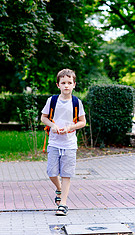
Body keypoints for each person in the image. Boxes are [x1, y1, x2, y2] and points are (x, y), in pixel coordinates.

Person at [41, 68, 86, 216]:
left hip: (69, 144)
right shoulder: (52, 100)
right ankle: (58, 188)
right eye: (63, 83)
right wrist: (53, 126)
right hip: (54, 143)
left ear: (74, 85)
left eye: (69, 83)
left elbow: (82, 122)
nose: (66, 85)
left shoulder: (76, 102)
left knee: (66, 174)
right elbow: (43, 117)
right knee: (51, 172)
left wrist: (70, 127)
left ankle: (63, 204)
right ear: (58, 85)